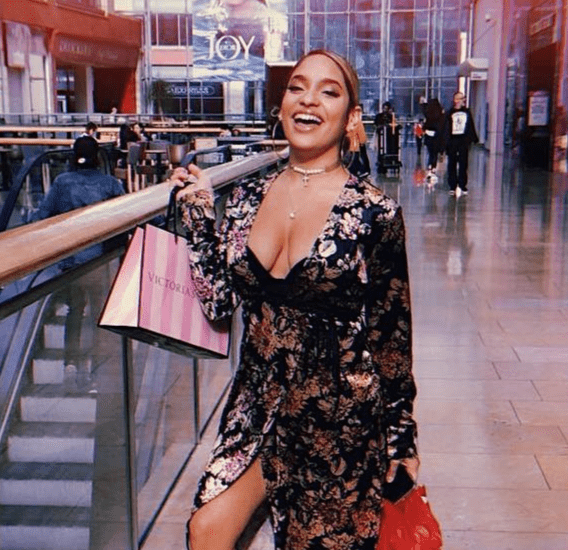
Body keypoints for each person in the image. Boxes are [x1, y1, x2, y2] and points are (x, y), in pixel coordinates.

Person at [172, 49, 419, 550]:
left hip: (339, 422)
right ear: (281, 106)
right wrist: (197, 212)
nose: (308, 100)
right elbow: (219, 303)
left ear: (351, 118)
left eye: (329, 91)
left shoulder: (374, 213)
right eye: (297, 87)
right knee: (207, 528)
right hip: (257, 408)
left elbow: (391, 334)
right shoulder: (246, 198)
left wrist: (402, 437)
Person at [27, 135, 125, 371]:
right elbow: (127, 212)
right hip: (101, 261)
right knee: (100, 311)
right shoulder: (110, 184)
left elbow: (43, 216)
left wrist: (26, 221)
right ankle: (99, 363)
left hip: (72, 261)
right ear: (97, 157)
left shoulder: (62, 182)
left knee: (75, 309)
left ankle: (70, 361)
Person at [444, 91, 478, 196]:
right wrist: (445, 142)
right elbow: (446, 128)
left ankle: (463, 184)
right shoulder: (449, 113)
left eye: (462, 98)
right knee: (452, 163)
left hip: (463, 140)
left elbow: (470, 125)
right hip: (453, 140)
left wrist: (473, 139)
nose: (460, 101)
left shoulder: (467, 112)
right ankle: (452, 185)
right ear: (455, 100)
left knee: (463, 163)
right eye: (458, 98)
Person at [422, 98, 445, 184]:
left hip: (429, 136)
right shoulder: (440, 115)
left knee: (431, 153)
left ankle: (430, 167)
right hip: (437, 137)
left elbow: (425, 125)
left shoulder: (428, 115)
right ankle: (433, 168)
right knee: (434, 154)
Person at [346, 105, 371, 180]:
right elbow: (361, 133)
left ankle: (356, 172)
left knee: (352, 160)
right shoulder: (357, 121)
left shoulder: (348, 121)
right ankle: (361, 171)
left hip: (349, 144)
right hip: (354, 145)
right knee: (355, 159)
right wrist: (362, 141)